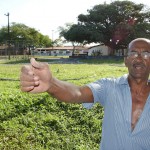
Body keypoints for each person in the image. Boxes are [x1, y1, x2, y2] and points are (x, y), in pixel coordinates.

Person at [20, 38, 150, 150]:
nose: (139, 58)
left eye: (145, 54)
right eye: (133, 53)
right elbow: (77, 92)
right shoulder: (109, 86)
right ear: (125, 60)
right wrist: (51, 83)